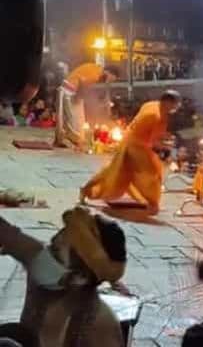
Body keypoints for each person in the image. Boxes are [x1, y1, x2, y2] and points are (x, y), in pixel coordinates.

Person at [0, 206, 127, 347]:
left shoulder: (100, 324)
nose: (45, 256)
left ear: (80, 277)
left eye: (55, 253)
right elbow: (7, 234)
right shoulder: (39, 266)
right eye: (51, 244)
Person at [80, 90, 181, 215]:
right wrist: (166, 147)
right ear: (167, 102)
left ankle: (86, 190)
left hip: (135, 142)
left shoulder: (152, 105)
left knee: (113, 170)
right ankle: (152, 203)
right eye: (175, 104)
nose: (176, 108)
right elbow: (151, 140)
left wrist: (163, 141)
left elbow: (149, 133)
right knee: (151, 172)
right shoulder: (154, 115)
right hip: (135, 146)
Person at [54, 63, 119, 149]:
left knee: (72, 119)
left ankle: (65, 140)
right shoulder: (96, 73)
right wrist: (79, 97)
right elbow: (82, 82)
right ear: (109, 72)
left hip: (70, 90)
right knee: (75, 121)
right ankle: (74, 141)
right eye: (112, 79)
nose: (111, 81)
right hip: (69, 91)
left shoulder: (96, 69)